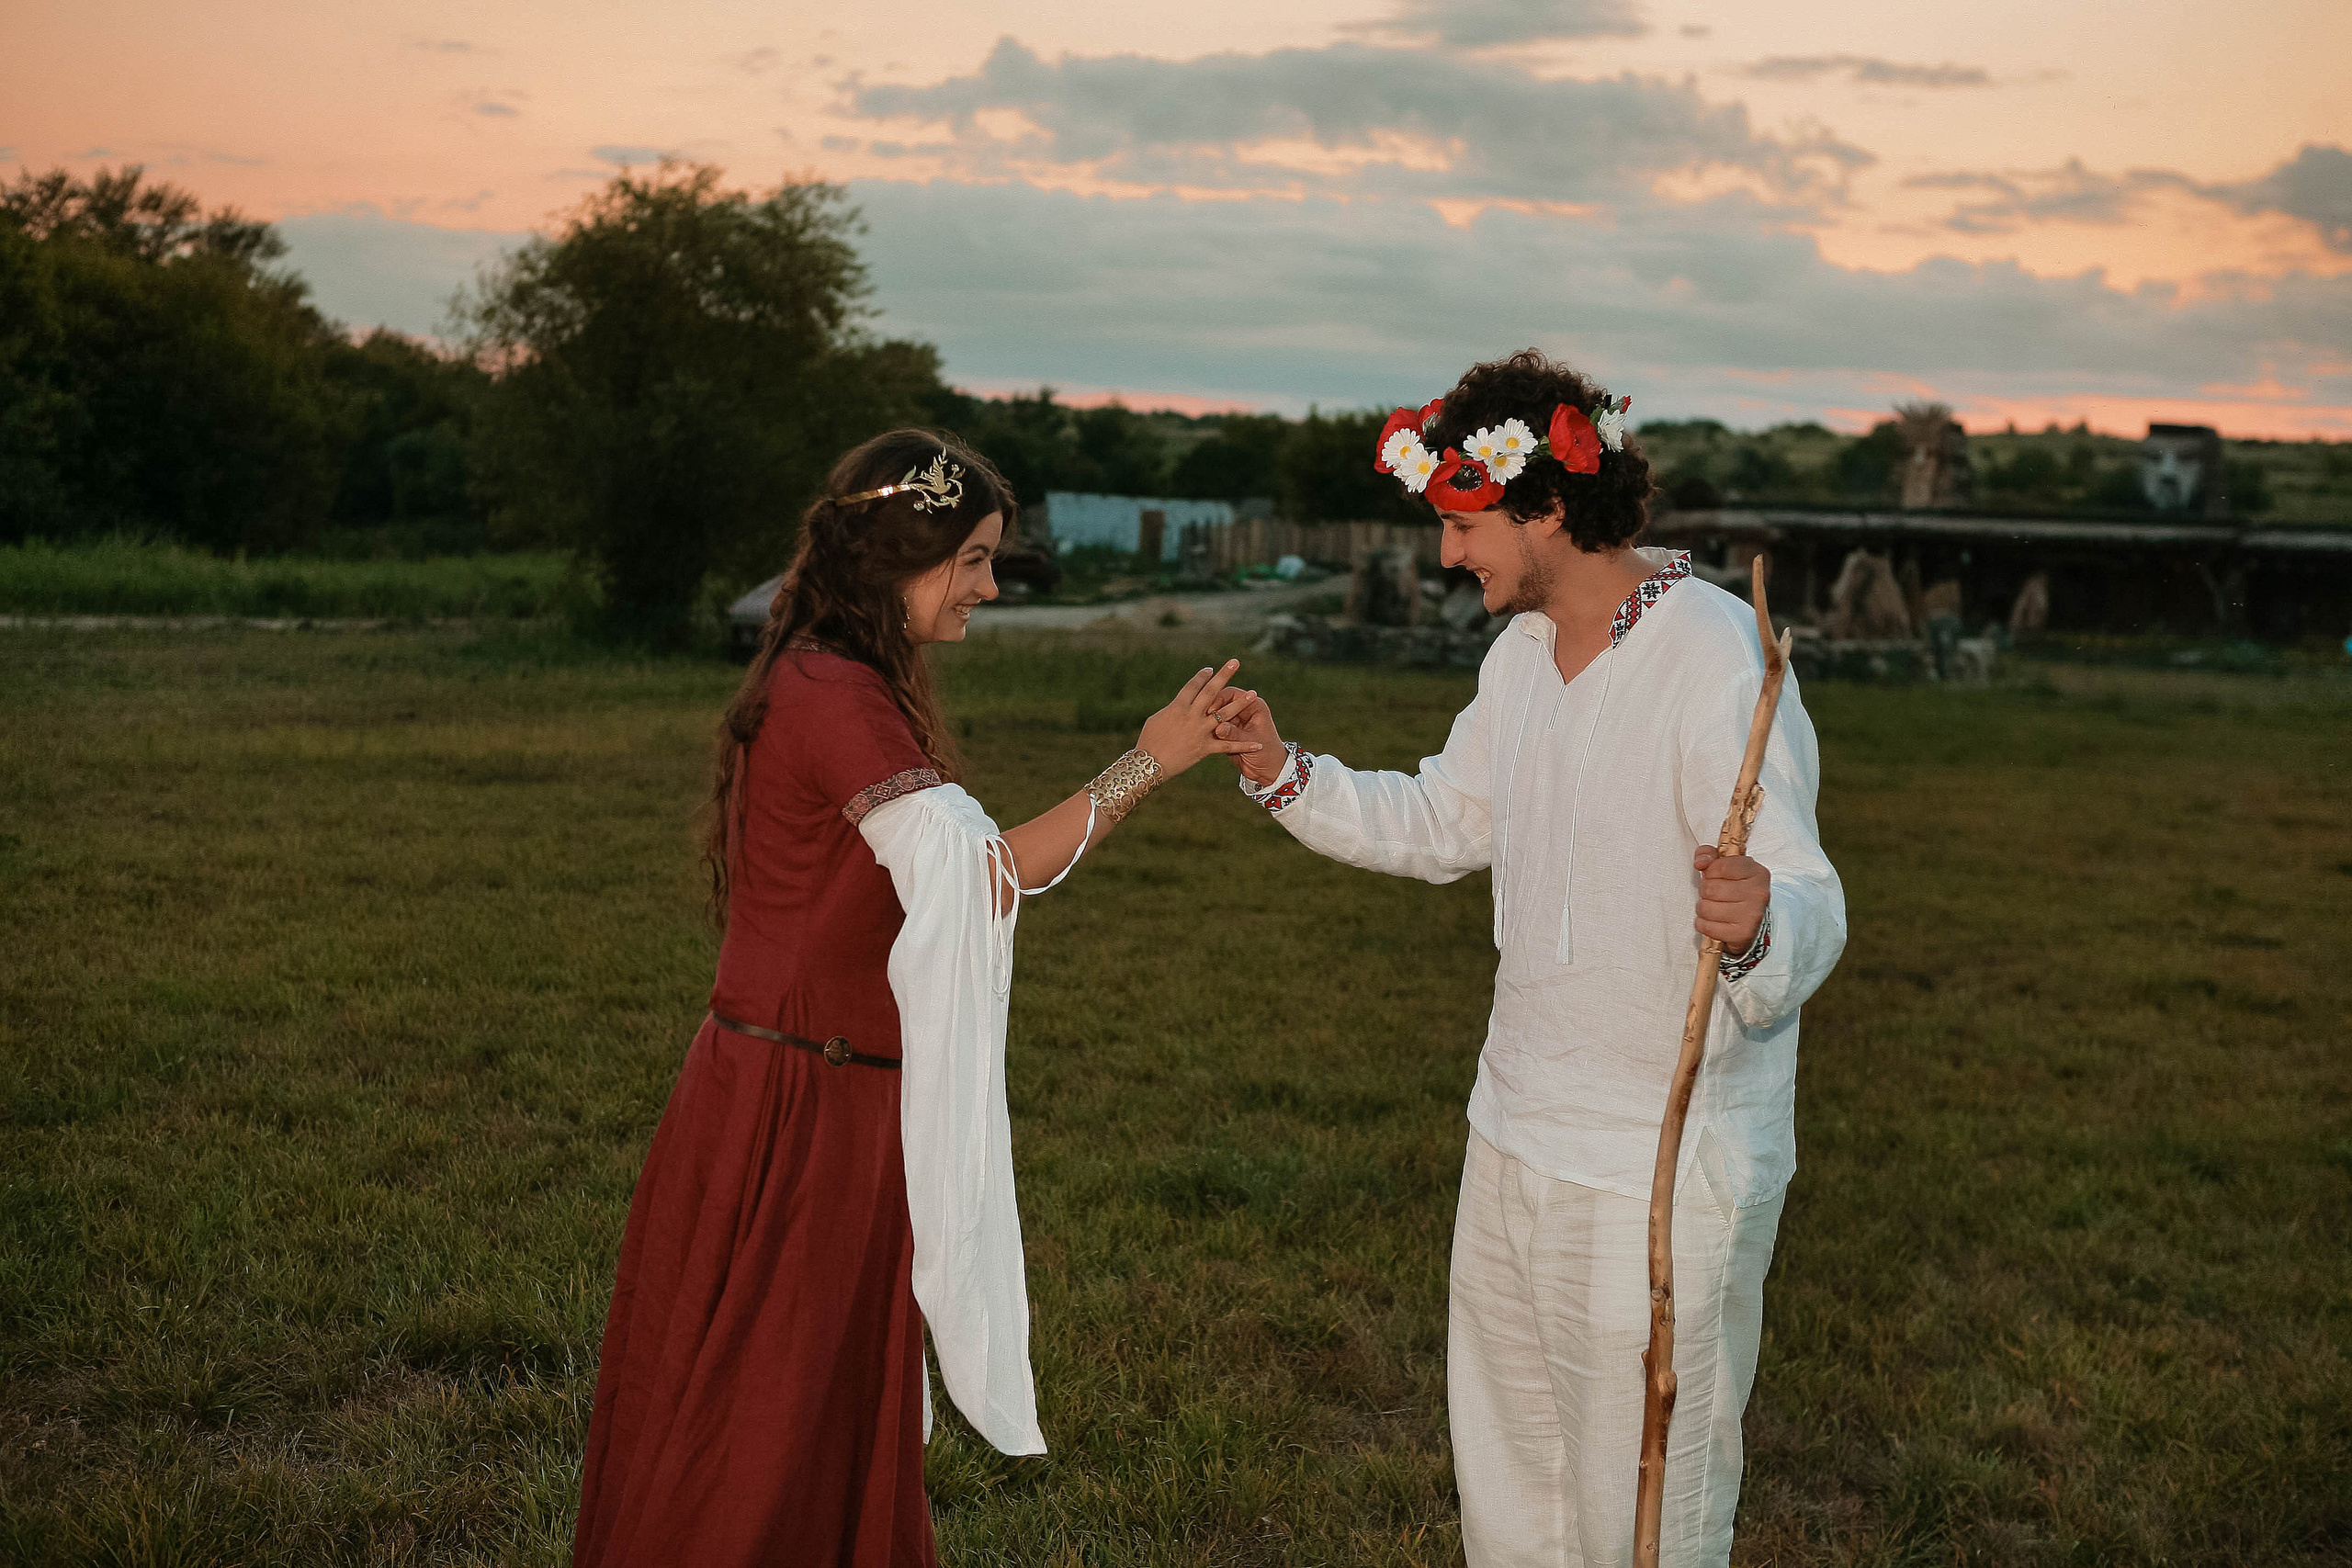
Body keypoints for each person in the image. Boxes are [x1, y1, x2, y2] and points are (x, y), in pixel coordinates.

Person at [571, 428, 1259, 1568]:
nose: (990, 586)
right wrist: (1150, 762)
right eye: (973, 559)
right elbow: (989, 873)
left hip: (800, 1082)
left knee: (806, 1406)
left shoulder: (832, 678)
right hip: (801, 1106)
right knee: (767, 1416)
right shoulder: (833, 696)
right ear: (900, 554)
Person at [1213, 350, 1847, 1566]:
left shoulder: (1717, 655)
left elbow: (1804, 890)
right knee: (1511, 1483)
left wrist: (1762, 916)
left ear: (1547, 505)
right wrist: (1284, 772)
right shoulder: (1516, 659)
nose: (1448, 554)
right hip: (1511, 1131)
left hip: (1658, 1164)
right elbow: (1447, 820)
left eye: (1463, 524)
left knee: (1646, 1511)